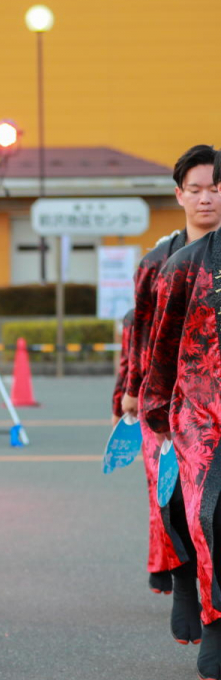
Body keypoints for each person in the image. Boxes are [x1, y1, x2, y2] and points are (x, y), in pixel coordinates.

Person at [123, 145, 220, 643]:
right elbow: (141, 331)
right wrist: (132, 390)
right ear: (180, 194)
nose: (207, 198)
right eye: (197, 189)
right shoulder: (162, 260)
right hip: (174, 406)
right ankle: (182, 578)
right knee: (175, 501)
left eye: (216, 187)